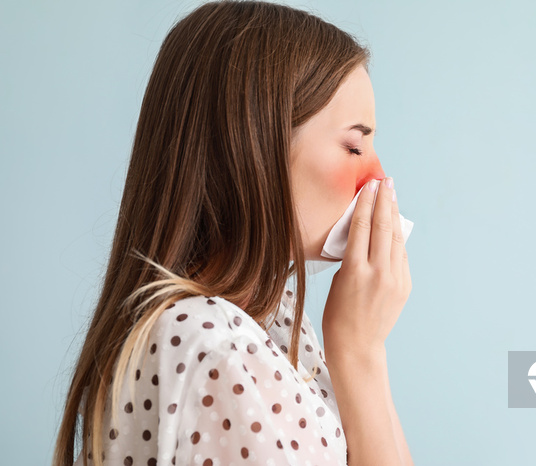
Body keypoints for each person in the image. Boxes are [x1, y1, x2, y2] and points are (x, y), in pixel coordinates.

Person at [53, 1, 413, 465]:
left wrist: (364, 350)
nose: (378, 175)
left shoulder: (271, 323)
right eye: (354, 145)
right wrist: (359, 352)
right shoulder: (211, 345)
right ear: (254, 143)